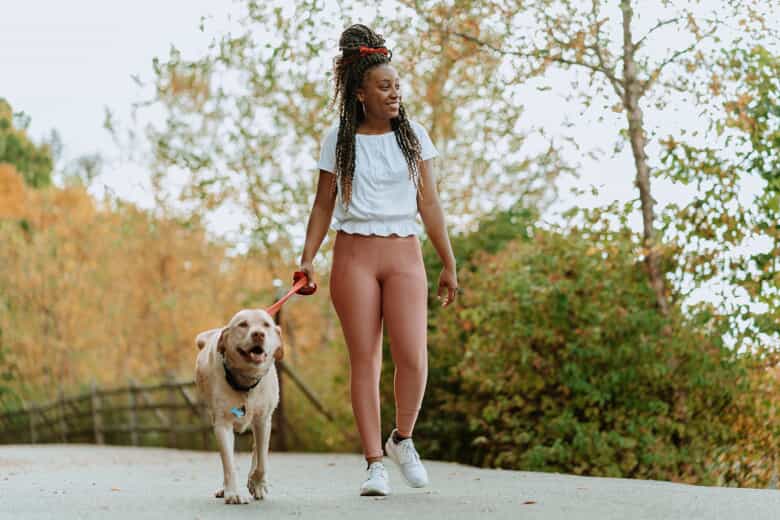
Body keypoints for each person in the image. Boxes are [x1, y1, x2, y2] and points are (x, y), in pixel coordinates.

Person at [299, 23, 458, 497]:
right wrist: (307, 257)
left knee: (412, 356)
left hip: (405, 254)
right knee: (364, 360)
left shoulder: (414, 138)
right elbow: (323, 206)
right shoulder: (338, 140)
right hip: (354, 256)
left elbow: (429, 204)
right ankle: (373, 463)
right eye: (384, 87)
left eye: (397, 86)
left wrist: (449, 262)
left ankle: (401, 438)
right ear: (361, 94)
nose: (394, 94)